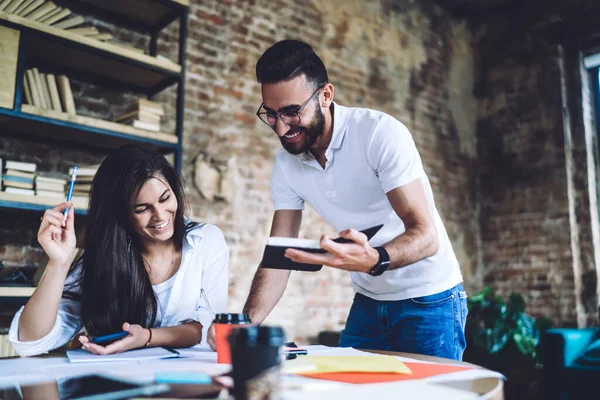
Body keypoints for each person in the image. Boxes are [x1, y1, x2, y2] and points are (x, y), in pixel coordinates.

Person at [240, 39, 468, 360]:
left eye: (292, 112)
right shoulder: (286, 164)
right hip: (369, 302)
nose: (280, 128)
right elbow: (280, 255)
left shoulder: (378, 134)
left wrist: (376, 258)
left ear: (326, 95)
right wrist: (244, 324)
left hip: (430, 299)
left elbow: (427, 236)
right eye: (272, 114)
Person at [9, 145, 228, 356]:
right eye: (142, 209)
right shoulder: (102, 259)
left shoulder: (205, 241)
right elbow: (29, 342)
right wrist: (59, 263)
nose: (161, 216)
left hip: (190, 385)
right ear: (120, 214)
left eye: (165, 198)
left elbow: (206, 329)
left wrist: (147, 337)